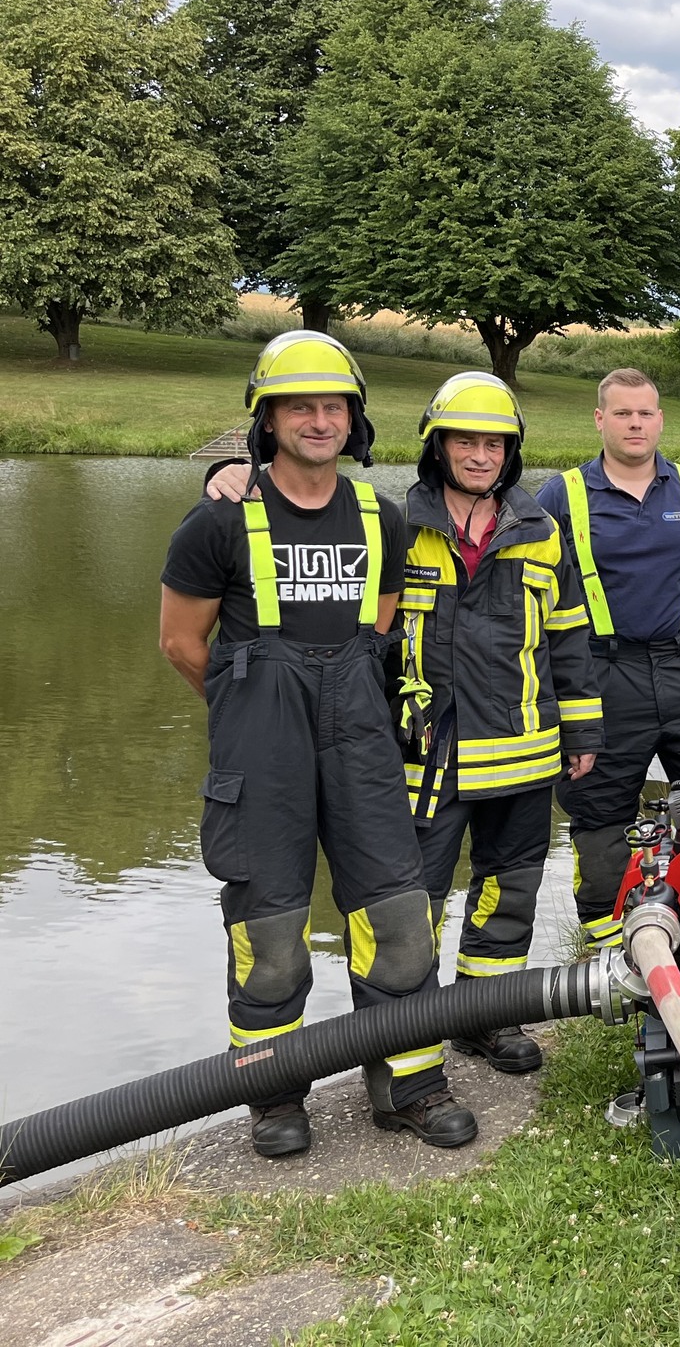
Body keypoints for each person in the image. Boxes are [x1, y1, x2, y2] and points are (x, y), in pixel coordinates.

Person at [202, 372, 605, 1079]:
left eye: (494, 444)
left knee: (509, 893)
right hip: (422, 760)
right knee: (407, 912)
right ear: (437, 447)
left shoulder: (542, 532)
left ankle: (484, 1016)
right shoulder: (397, 524)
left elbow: (569, 637)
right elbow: (342, 611)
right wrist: (229, 473)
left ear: (511, 453)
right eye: (465, 441)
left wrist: (583, 732)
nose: (480, 456)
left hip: (523, 749)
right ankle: (405, 1042)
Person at [159, 331, 475, 1156]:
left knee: (400, 918)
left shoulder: (381, 517)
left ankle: (410, 1086)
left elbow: (382, 626)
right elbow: (182, 644)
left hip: (361, 736)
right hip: (260, 748)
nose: (319, 420)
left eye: (333, 406)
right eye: (298, 406)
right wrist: (247, 711)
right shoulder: (217, 521)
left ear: (353, 420)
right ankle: (274, 1099)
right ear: (266, 420)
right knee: (269, 937)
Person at [537, 368, 680, 949]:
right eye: (622, 413)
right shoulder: (562, 495)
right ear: (600, 419)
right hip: (603, 674)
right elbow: (536, 596)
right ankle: (606, 945)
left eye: (645, 413)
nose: (635, 424)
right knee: (599, 811)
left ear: (660, 420)